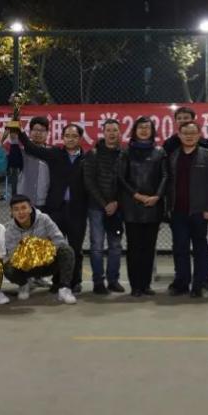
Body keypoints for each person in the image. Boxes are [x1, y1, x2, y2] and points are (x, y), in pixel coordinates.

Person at [11, 123, 89, 293]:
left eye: (74, 136)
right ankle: (58, 281)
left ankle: (75, 282)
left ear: (80, 139)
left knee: (76, 248)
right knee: (56, 247)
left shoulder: (87, 159)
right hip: (56, 209)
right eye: (67, 136)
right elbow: (31, 148)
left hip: (78, 210)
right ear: (62, 137)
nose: (70, 139)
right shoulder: (55, 154)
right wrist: (19, 132)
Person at [166, 120, 208, 298]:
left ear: (199, 135)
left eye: (193, 133)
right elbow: (169, 184)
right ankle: (181, 283)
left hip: (199, 211)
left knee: (200, 249)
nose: (189, 136)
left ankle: (199, 285)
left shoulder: (207, 155)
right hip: (178, 211)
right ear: (179, 135)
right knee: (180, 248)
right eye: (185, 133)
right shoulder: (173, 155)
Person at [117, 117, 167, 297]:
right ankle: (136, 286)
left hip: (153, 206)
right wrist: (136, 195)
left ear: (153, 131)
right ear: (135, 130)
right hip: (132, 207)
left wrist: (157, 196)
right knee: (134, 248)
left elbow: (165, 176)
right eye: (141, 127)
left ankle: (146, 285)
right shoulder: (126, 152)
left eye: (147, 127)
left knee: (148, 248)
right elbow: (121, 178)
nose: (144, 130)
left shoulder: (160, 152)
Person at [2, 195, 77, 304]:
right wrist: (27, 255)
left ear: (30, 208)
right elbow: (11, 255)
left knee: (67, 250)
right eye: (16, 209)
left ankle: (64, 289)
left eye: (23, 208)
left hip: (47, 263)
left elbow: (59, 240)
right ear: (12, 212)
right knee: (6, 266)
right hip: (26, 267)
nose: (20, 212)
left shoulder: (44, 219)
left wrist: (42, 251)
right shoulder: (9, 229)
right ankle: (24, 284)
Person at [82, 119, 124, 294]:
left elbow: (126, 181)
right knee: (97, 246)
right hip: (96, 207)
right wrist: (104, 203)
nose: (112, 133)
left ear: (119, 133)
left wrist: (116, 202)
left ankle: (113, 280)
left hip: (117, 208)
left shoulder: (124, 154)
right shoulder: (93, 154)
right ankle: (98, 282)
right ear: (103, 132)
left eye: (115, 130)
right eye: (108, 130)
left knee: (115, 246)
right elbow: (89, 181)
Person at [11, 116, 52, 211]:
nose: (38, 133)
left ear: (47, 133)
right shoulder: (22, 152)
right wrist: (14, 140)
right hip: (24, 201)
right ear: (30, 132)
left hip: (45, 201)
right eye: (35, 130)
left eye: (42, 130)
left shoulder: (52, 152)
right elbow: (13, 163)